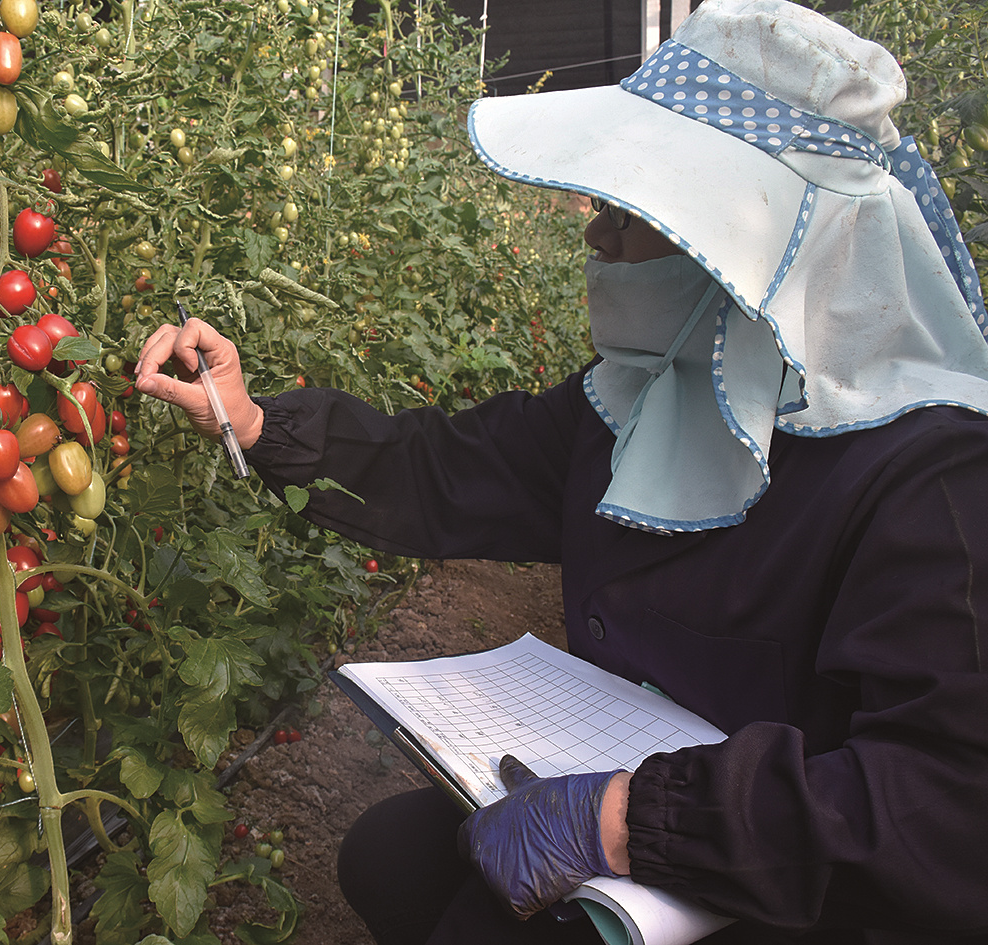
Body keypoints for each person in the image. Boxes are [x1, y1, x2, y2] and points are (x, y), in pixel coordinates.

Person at [134, 0, 988, 942]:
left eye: (629, 218)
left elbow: (946, 808)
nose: (596, 243)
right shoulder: (641, 404)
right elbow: (446, 469)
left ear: (745, 256)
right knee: (392, 855)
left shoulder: (930, 477)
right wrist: (253, 421)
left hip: (793, 890)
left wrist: (630, 820)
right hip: (651, 831)